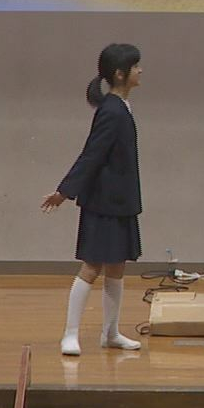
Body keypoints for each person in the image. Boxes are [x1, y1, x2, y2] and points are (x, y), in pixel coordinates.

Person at [41, 43, 144, 356]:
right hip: (103, 204)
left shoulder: (122, 107)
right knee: (91, 268)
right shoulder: (111, 111)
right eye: (136, 66)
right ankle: (69, 334)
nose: (141, 71)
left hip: (121, 201)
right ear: (119, 74)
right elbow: (92, 155)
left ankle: (110, 332)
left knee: (117, 269)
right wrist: (64, 192)